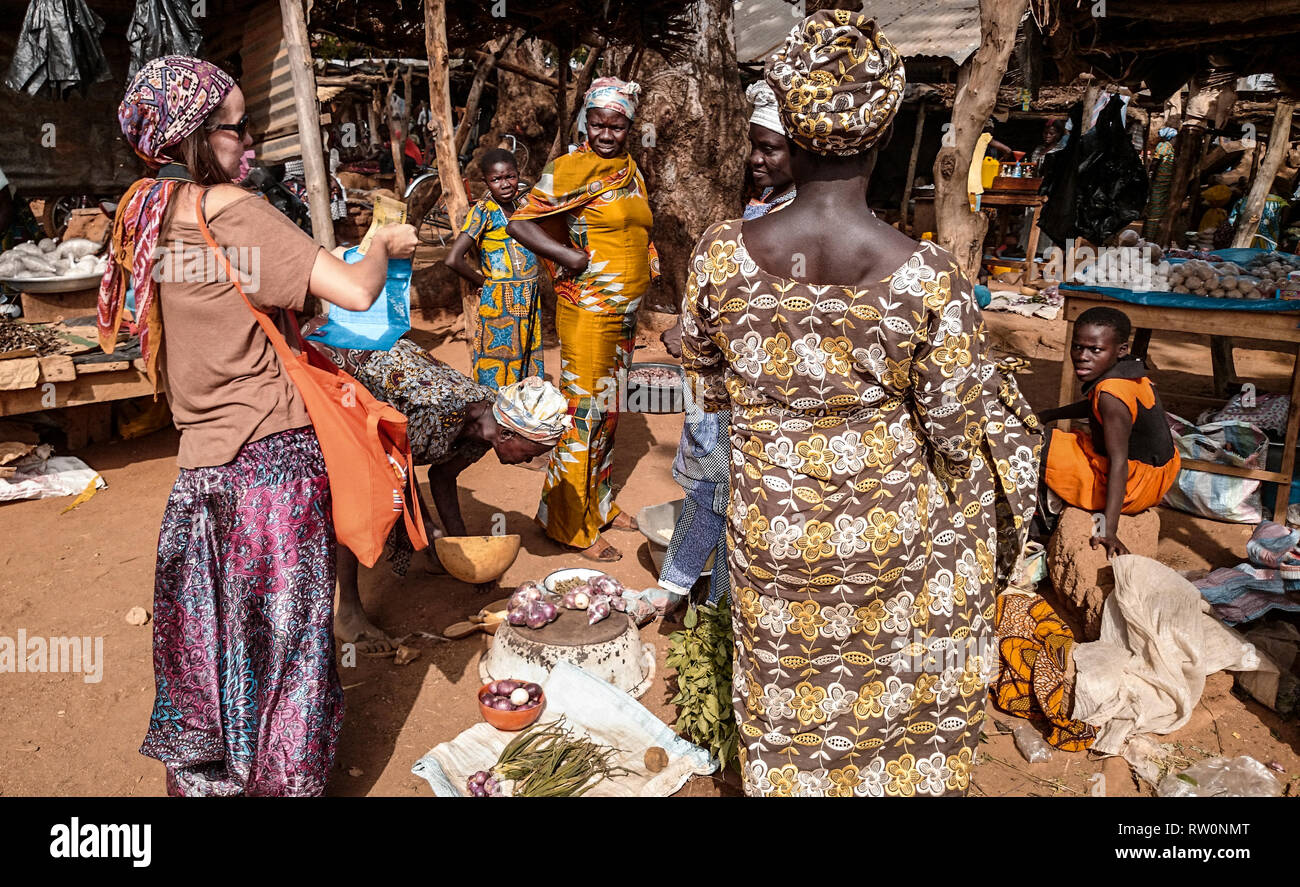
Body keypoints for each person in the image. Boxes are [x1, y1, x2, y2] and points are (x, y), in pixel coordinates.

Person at [681, 12, 1041, 797]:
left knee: (785, 693)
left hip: (771, 529)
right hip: (888, 536)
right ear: (881, 136)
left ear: (792, 131)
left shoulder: (718, 254)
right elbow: (953, 434)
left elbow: (708, 377)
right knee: (886, 690)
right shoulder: (927, 276)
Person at [101, 56, 418, 796]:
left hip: (200, 476)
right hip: (272, 472)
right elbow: (356, 289)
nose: (250, 145)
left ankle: (214, 781)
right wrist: (383, 244)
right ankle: (280, 783)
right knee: (291, 652)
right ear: (196, 136)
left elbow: (219, 303)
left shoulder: (143, 213)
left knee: (215, 644)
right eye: (239, 128)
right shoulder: (232, 210)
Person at [311, 338, 570, 650]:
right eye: (532, 452)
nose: (530, 461)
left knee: (410, 514)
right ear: (507, 433)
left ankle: (433, 553)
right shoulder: (433, 415)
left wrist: (463, 552)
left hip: (390, 374)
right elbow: (394, 476)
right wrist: (431, 533)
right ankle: (349, 612)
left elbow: (442, 476)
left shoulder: (487, 423)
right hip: (333, 364)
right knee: (355, 494)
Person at [653, 81, 799, 615]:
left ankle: (717, 612)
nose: (757, 159)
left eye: (771, 148)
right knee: (718, 490)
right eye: (754, 146)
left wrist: (697, 334)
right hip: (723, 377)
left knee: (727, 492)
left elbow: (771, 314)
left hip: (751, 387)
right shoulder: (763, 208)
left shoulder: (793, 221)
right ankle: (696, 597)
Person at [507, 77, 660, 562]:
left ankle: (600, 505)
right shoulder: (570, 168)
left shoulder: (631, 170)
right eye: (598, 123)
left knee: (609, 414)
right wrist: (568, 259)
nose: (607, 134)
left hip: (624, 314)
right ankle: (568, 524)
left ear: (630, 127)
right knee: (584, 415)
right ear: (585, 122)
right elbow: (520, 221)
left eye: (617, 125)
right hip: (590, 312)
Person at [1037, 307, 1180, 557]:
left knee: (1032, 444)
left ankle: (1047, 517)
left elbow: (1118, 463)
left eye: (1095, 350)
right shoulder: (1128, 373)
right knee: (1064, 439)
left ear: (1120, 349)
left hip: (1134, 487)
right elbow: (1094, 405)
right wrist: (1050, 414)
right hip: (1157, 476)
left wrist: (1108, 529)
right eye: (1077, 347)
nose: (1082, 356)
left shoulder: (1111, 396)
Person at [445, 148, 542, 388]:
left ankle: (521, 417)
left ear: (518, 174)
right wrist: (485, 283)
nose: (505, 184)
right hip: (499, 301)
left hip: (529, 296)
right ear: (486, 182)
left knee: (527, 360)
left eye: (510, 176)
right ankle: (493, 417)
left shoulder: (526, 205)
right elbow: (454, 258)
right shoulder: (484, 211)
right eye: (496, 179)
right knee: (496, 363)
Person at [743, 81, 796, 220]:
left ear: (800, 150)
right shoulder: (772, 192)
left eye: (768, 149)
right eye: (753, 145)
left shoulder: (794, 213)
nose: (755, 159)